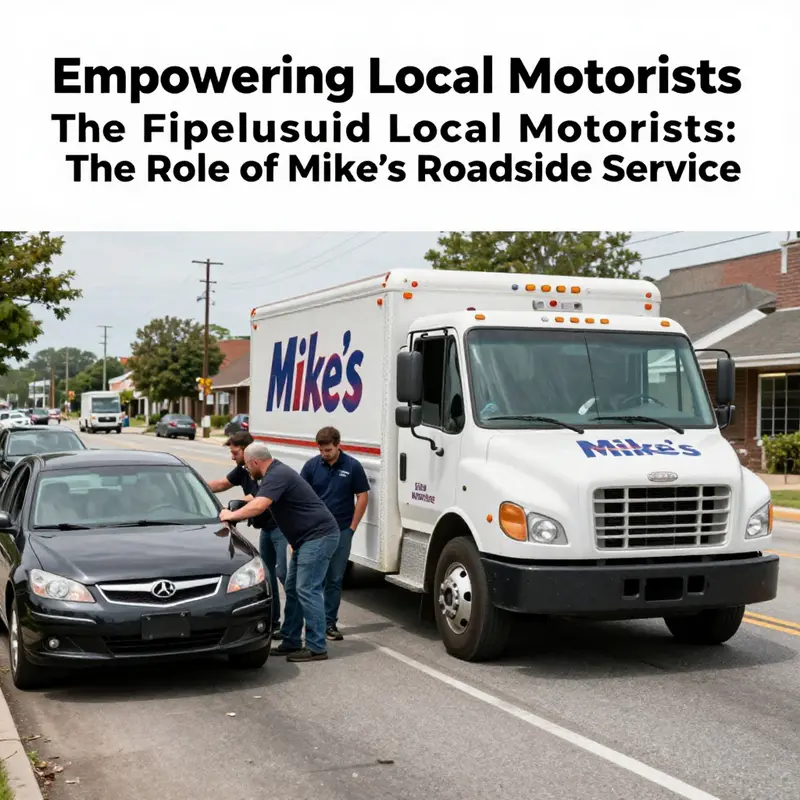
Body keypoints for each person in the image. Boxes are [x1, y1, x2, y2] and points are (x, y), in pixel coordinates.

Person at [219, 442, 340, 662]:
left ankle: (316, 647)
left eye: (247, 466)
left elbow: (259, 505)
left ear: (255, 462)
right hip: (305, 539)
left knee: (307, 588)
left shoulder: (277, 474)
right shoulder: (273, 474)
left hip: (319, 536)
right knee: (292, 588)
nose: (246, 470)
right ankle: (291, 640)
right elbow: (256, 501)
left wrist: (231, 515)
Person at [207, 430, 288, 638]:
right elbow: (222, 484)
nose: (232, 456)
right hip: (266, 530)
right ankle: (274, 623)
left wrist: (233, 511)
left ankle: (294, 628)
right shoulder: (242, 469)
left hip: (280, 529)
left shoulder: (262, 470)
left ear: (246, 451)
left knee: (286, 575)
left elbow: (257, 498)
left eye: (235, 452)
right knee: (267, 577)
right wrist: (196, 487)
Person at [300, 426, 369, 641]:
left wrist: (352, 528)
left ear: (338, 445)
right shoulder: (311, 466)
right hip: (316, 532)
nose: (324, 454)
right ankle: (314, 623)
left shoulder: (352, 466)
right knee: (314, 580)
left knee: (335, 579)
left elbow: (363, 496)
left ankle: (330, 622)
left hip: (342, 530)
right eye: (321, 450)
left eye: (328, 450)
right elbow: (301, 497)